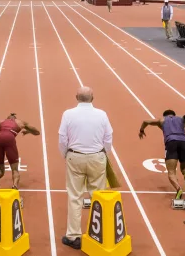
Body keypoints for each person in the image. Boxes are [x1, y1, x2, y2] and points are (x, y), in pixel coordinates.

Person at [59, 87, 113, 250]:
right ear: (92, 98)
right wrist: (104, 154)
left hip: (75, 156)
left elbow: (62, 138)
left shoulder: (68, 114)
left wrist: (66, 154)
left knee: (75, 197)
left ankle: (74, 236)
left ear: (76, 97)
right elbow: (108, 137)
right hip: (97, 157)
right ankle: (100, 234)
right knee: (98, 196)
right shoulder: (102, 114)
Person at [138, 107, 185, 198]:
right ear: (174, 115)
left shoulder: (161, 120)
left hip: (171, 143)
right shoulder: (181, 119)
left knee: (171, 171)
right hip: (183, 142)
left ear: (164, 116)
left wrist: (141, 131)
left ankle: (178, 188)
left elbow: (145, 121)